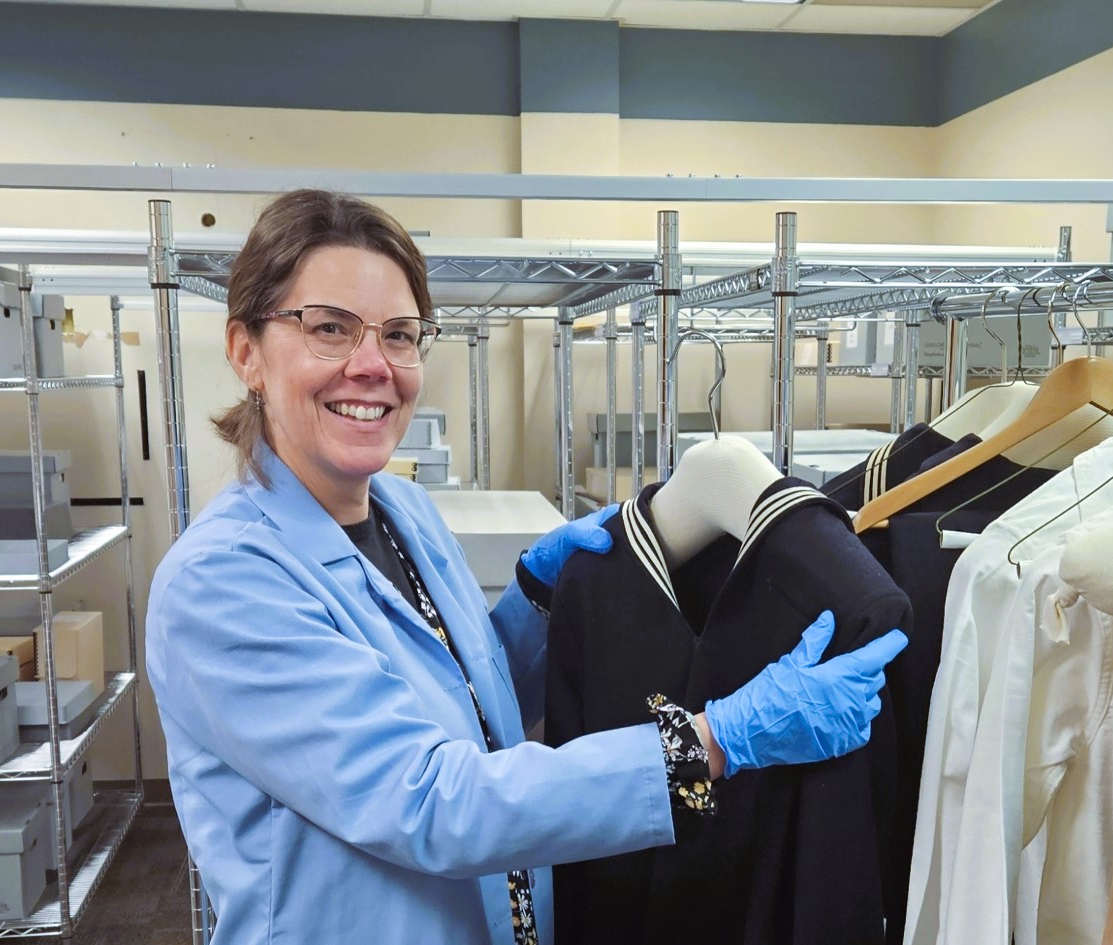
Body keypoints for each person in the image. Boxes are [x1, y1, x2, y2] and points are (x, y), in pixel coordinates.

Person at [145, 189, 908, 945]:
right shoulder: (223, 584)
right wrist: (717, 738)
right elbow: (432, 800)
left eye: (401, 334)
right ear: (245, 350)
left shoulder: (402, 512)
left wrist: (536, 606)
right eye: (329, 329)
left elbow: (454, 702)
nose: (373, 365)